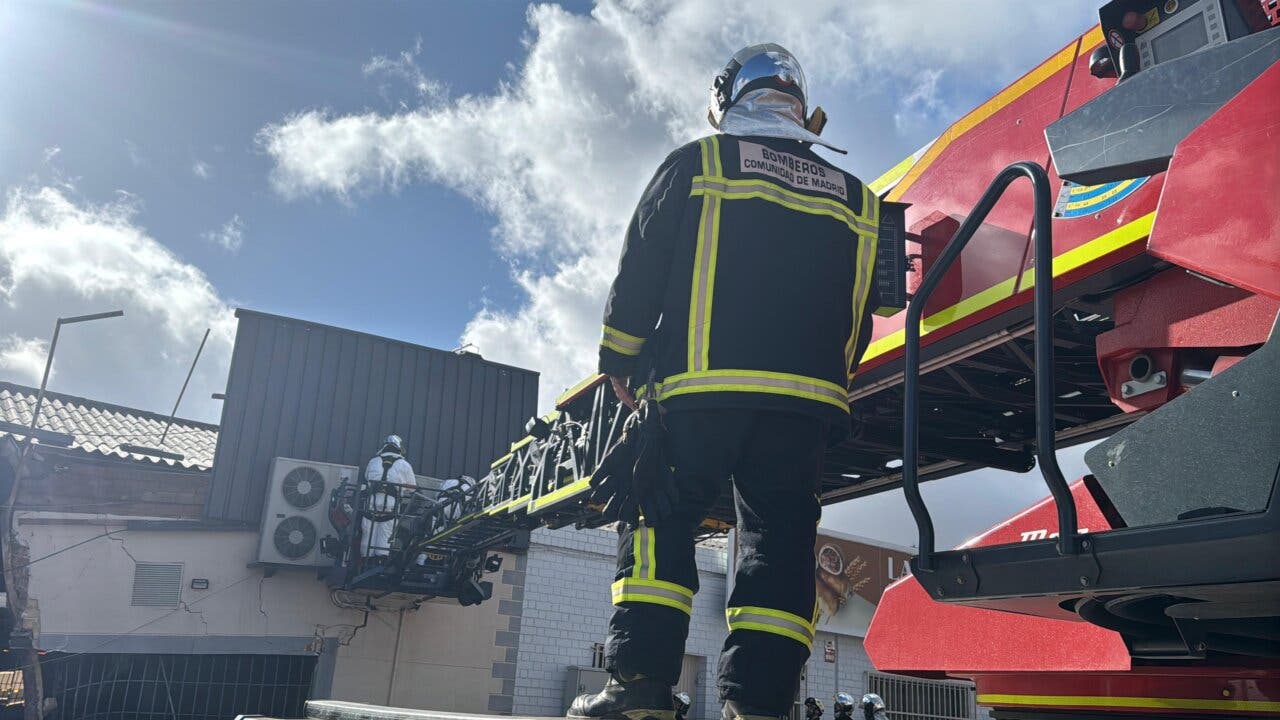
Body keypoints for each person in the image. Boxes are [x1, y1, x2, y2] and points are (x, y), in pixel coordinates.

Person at [569, 43, 880, 720]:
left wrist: (619, 358)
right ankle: (758, 707)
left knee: (659, 518)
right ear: (800, 107)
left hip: (700, 393)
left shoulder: (698, 162)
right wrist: (830, 387)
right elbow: (860, 312)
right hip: (803, 408)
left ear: (724, 98)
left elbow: (643, 262)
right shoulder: (858, 198)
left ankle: (641, 692)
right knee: (781, 547)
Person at [360, 434, 416, 561]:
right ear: (399, 447)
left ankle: (364, 563)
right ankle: (379, 563)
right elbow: (412, 488)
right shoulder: (404, 464)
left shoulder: (373, 461)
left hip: (370, 507)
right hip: (390, 509)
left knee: (367, 540)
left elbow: (367, 478)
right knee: (384, 542)